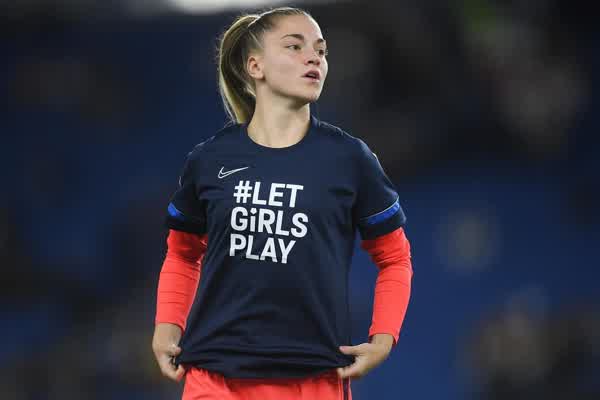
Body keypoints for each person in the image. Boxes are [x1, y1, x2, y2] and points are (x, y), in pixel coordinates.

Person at [152, 6, 413, 400]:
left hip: (314, 380)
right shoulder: (210, 159)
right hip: (215, 378)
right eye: (295, 46)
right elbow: (183, 254)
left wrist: (384, 338)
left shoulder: (350, 159)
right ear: (255, 65)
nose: (314, 58)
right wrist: (166, 327)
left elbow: (395, 258)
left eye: (321, 51)